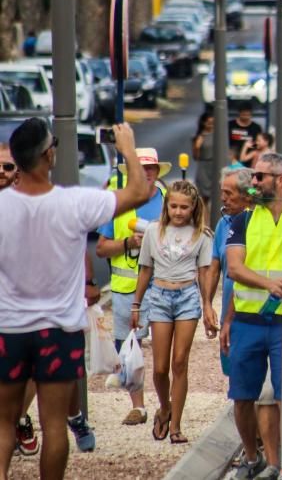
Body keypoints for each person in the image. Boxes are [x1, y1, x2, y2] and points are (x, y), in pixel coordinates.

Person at [0, 120, 147, 480]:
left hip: (9, 328)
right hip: (58, 331)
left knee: (3, 423)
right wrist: (126, 148)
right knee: (54, 426)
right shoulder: (75, 203)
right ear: (48, 154)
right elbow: (139, 192)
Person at [226, 153, 282, 480]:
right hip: (248, 322)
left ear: (280, 180)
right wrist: (270, 284)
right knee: (242, 396)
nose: (253, 182)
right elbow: (235, 268)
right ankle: (252, 457)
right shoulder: (243, 220)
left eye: (260, 177)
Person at [132, 181, 216, 444]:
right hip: (159, 296)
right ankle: (164, 407)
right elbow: (145, 269)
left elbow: (204, 272)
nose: (179, 212)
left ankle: (176, 425)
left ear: (193, 208)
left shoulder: (202, 235)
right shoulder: (153, 232)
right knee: (159, 368)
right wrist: (136, 304)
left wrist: (207, 305)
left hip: (187, 297)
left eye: (184, 207)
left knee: (180, 362)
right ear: (166, 206)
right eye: (174, 205)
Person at [95, 148, 172, 426]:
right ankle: (138, 407)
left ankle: (166, 404)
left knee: (166, 348)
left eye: (150, 168)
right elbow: (101, 249)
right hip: (127, 289)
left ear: (157, 172)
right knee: (129, 348)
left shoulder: (169, 201)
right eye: (141, 169)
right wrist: (129, 243)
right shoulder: (117, 205)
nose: (147, 173)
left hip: (165, 286)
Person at [192, 111, 214, 203]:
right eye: (209, 123)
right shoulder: (199, 136)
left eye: (213, 123)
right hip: (203, 168)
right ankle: (204, 217)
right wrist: (197, 147)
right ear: (204, 123)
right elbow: (196, 157)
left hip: (215, 166)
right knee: (203, 198)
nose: (211, 125)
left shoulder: (219, 135)